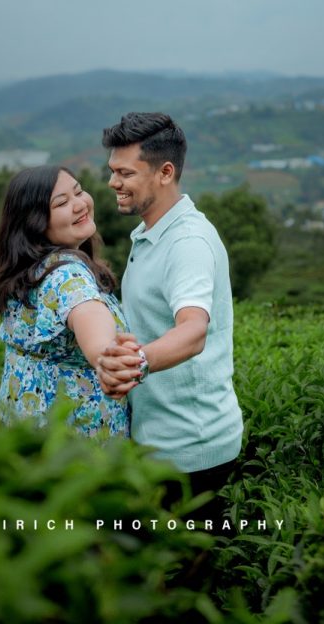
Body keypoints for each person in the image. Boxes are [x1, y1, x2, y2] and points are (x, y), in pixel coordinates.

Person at [97, 112, 244, 520]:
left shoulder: (187, 243)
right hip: (160, 441)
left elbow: (194, 330)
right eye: (112, 171)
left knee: (182, 576)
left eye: (125, 173)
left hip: (190, 451)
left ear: (165, 172)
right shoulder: (151, 232)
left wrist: (134, 364)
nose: (113, 183)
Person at [0, 164, 132, 437]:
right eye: (62, 202)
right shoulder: (67, 275)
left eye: (78, 192)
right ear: (35, 222)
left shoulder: (29, 270)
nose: (79, 204)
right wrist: (109, 357)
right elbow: (90, 319)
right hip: (72, 442)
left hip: (23, 429)